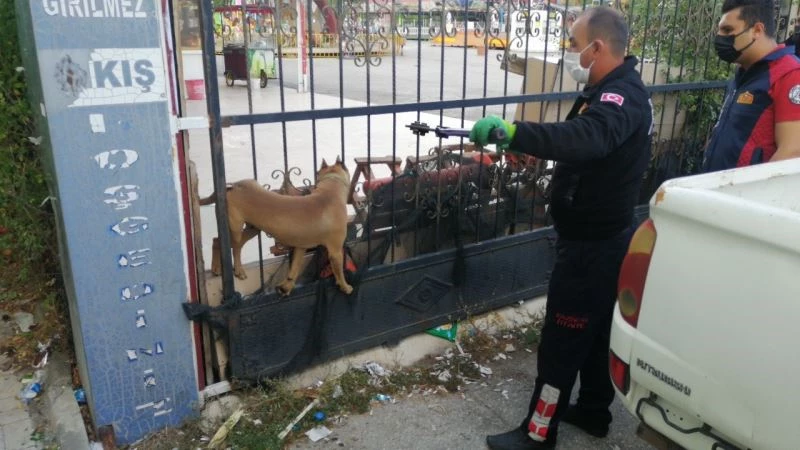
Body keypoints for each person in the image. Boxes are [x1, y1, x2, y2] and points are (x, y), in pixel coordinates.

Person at [469, 6, 653, 450]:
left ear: (598, 47)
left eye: (573, 44)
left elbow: (587, 138)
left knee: (562, 340)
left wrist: (516, 133)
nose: (569, 53)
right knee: (593, 336)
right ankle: (593, 411)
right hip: (603, 240)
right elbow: (583, 145)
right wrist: (531, 150)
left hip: (593, 249)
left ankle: (537, 433)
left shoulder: (619, 98)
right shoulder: (607, 87)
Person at [703, 0, 800, 172]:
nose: (719, 37)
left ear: (757, 30)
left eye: (728, 30)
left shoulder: (790, 74)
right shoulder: (745, 73)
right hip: (719, 188)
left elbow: (791, 152)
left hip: (744, 194)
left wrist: (748, 194)